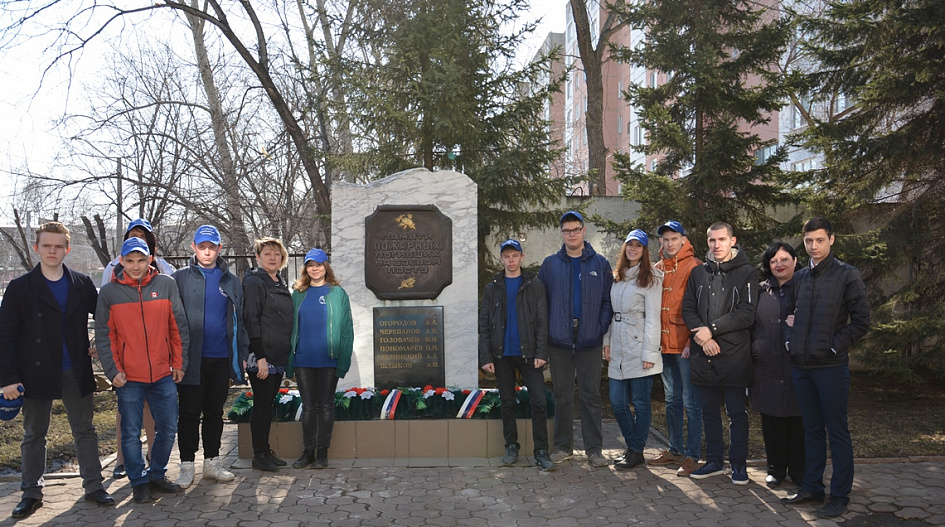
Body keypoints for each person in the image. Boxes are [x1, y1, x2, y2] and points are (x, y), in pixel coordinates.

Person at [0, 222, 114, 519]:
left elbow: (106, 320)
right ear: (36, 248)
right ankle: (31, 493)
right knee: (34, 433)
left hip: (75, 368)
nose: (52, 251)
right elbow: (5, 336)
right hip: (34, 372)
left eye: (58, 246)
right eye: (47, 246)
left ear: (67, 249)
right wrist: (7, 378)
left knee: (85, 430)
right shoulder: (20, 287)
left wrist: (102, 346)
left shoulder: (82, 284)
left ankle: (94, 486)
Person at [781, 218, 870, 518]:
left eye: (819, 240)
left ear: (831, 239)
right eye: (808, 241)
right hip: (801, 366)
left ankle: (839, 496)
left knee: (837, 431)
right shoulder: (800, 278)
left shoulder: (847, 275)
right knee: (811, 429)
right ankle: (812, 487)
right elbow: (788, 315)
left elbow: (861, 321)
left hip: (830, 367)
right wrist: (791, 342)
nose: (813, 246)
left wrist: (834, 347)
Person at [96, 237, 189, 504]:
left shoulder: (166, 284)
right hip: (128, 377)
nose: (135, 266)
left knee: (168, 428)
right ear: (121, 261)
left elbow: (177, 327)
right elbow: (105, 336)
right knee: (130, 433)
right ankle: (138, 482)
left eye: (141, 260)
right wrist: (113, 370)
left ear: (150, 259)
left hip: (162, 373)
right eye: (130, 261)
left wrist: (179, 363)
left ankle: (156, 474)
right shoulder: (109, 293)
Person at [172, 225, 248, 487]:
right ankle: (186, 466)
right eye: (202, 247)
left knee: (214, 412)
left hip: (220, 358)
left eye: (211, 247)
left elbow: (240, 320)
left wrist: (241, 354)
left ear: (219, 249)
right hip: (190, 359)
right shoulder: (179, 278)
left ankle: (212, 463)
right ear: (193, 247)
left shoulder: (231, 280)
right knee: (189, 413)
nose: (207, 252)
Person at [682, 222, 757, 484]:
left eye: (722, 239)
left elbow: (747, 314)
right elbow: (688, 310)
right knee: (709, 412)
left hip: (734, 357)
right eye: (712, 240)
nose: (717, 245)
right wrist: (704, 340)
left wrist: (711, 331)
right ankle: (714, 461)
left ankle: (738, 465)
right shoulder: (698, 273)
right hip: (704, 356)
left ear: (732, 241)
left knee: (736, 414)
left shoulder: (747, 272)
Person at [538, 211, 613, 467]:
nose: (572, 234)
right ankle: (563, 447)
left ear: (584, 231)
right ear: (562, 234)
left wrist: (598, 328)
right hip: (559, 342)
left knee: (591, 396)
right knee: (562, 396)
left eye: (576, 229)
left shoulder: (599, 264)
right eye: (567, 230)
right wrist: (550, 331)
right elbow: (541, 303)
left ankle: (594, 449)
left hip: (589, 341)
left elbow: (607, 300)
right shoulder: (550, 265)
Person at [102, 218, 174, 479]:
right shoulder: (113, 269)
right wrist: (112, 363)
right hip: (127, 363)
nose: (138, 240)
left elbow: (173, 319)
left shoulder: (164, 271)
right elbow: (105, 321)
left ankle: (155, 462)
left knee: (156, 417)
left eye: (143, 236)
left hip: (157, 363)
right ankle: (123, 461)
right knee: (127, 418)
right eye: (133, 235)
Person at [479, 240, 554, 471]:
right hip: (501, 354)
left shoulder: (534, 285)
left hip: (529, 354)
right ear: (501, 259)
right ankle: (511, 446)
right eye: (506, 256)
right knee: (507, 402)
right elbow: (484, 324)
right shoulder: (493, 288)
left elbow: (542, 321)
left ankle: (541, 451)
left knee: (539, 401)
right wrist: (486, 357)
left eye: (514, 256)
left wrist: (542, 352)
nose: (511, 260)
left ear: (522, 257)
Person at [603, 229, 664, 471]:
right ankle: (633, 446)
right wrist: (607, 341)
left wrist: (650, 353)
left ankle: (636, 451)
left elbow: (654, 318)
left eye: (638, 246)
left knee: (640, 402)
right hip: (618, 344)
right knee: (617, 402)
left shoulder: (652, 277)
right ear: (625, 248)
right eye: (630, 244)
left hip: (639, 346)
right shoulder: (617, 276)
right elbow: (612, 313)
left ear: (644, 250)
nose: (633, 249)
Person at [289, 248, 354, 470]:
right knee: (308, 407)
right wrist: (290, 359)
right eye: (310, 265)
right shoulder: (298, 294)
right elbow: (290, 328)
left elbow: (347, 329)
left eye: (318, 264)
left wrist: (343, 360)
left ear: (326, 267)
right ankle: (308, 452)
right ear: (305, 269)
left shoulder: (338, 293)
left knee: (326, 405)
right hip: (303, 359)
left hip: (329, 358)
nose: (314, 269)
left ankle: (322, 453)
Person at [649, 220, 704, 477]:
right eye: (665, 239)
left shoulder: (695, 267)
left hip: (685, 346)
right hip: (664, 345)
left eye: (674, 238)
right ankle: (675, 449)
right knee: (671, 399)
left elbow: (702, 307)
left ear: (683, 239)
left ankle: (693, 455)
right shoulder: (658, 268)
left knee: (690, 401)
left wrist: (692, 341)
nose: (670, 243)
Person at [749, 242, 804, 488]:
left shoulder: (805, 288)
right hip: (766, 366)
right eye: (773, 261)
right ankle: (775, 469)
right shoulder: (760, 291)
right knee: (771, 420)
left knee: (798, 420)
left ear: (795, 261)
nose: (779, 264)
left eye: (784, 259)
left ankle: (799, 471)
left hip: (798, 366)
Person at [242, 237, 294, 472]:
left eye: (277, 254)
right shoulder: (255, 281)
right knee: (262, 403)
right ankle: (259, 454)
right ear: (257, 257)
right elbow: (251, 319)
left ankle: (265, 450)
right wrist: (260, 357)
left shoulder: (278, 281)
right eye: (267, 254)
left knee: (267, 403)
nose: (273, 258)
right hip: (262, 356)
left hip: (277, 353)